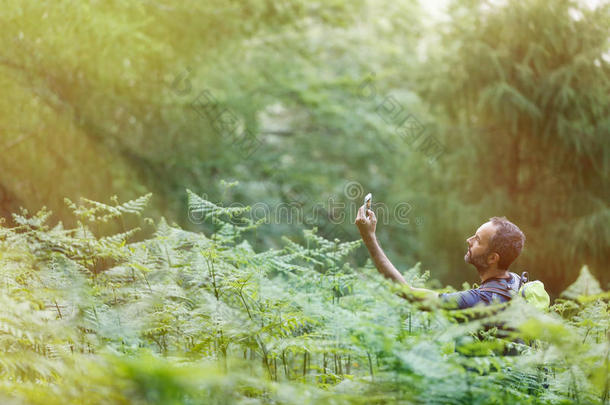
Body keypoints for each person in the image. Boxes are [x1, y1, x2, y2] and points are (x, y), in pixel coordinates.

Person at [354, 204, 526, 309]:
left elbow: (409, 294)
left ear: (492, 258)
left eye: (477, 240)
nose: (469, 240)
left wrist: (369, 238)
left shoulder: (479, 301)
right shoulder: (515, 282)